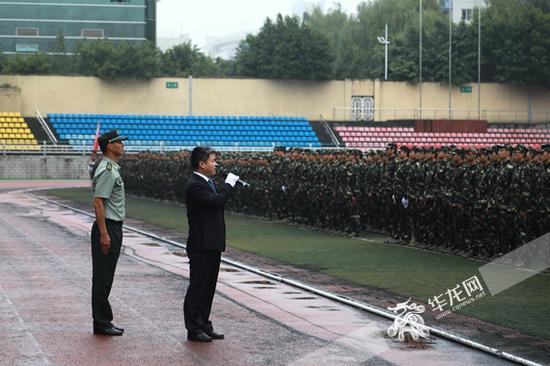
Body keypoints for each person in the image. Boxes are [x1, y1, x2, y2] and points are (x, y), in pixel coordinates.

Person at [184, 146, 240, 342]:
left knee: (208, 287)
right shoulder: (195, 184)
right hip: (201, 243)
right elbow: (216, 202)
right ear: (201, 164)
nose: (216, 164)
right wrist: (229, 185)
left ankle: (203, 323)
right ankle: (193, 327)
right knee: (198, 287)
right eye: (213, 160)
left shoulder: (207, 182)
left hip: (212, 242)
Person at [90, 130, 128, 336]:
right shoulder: (107, 170)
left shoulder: (112, 168)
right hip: (108, 227)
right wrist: (104, 234)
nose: (122, 144)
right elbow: (98, 203)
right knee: (103, 276)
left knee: (106, 275)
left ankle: (103, 320)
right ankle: (102, 321)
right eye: (118, 142)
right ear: (110, 146)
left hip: (112, 226)